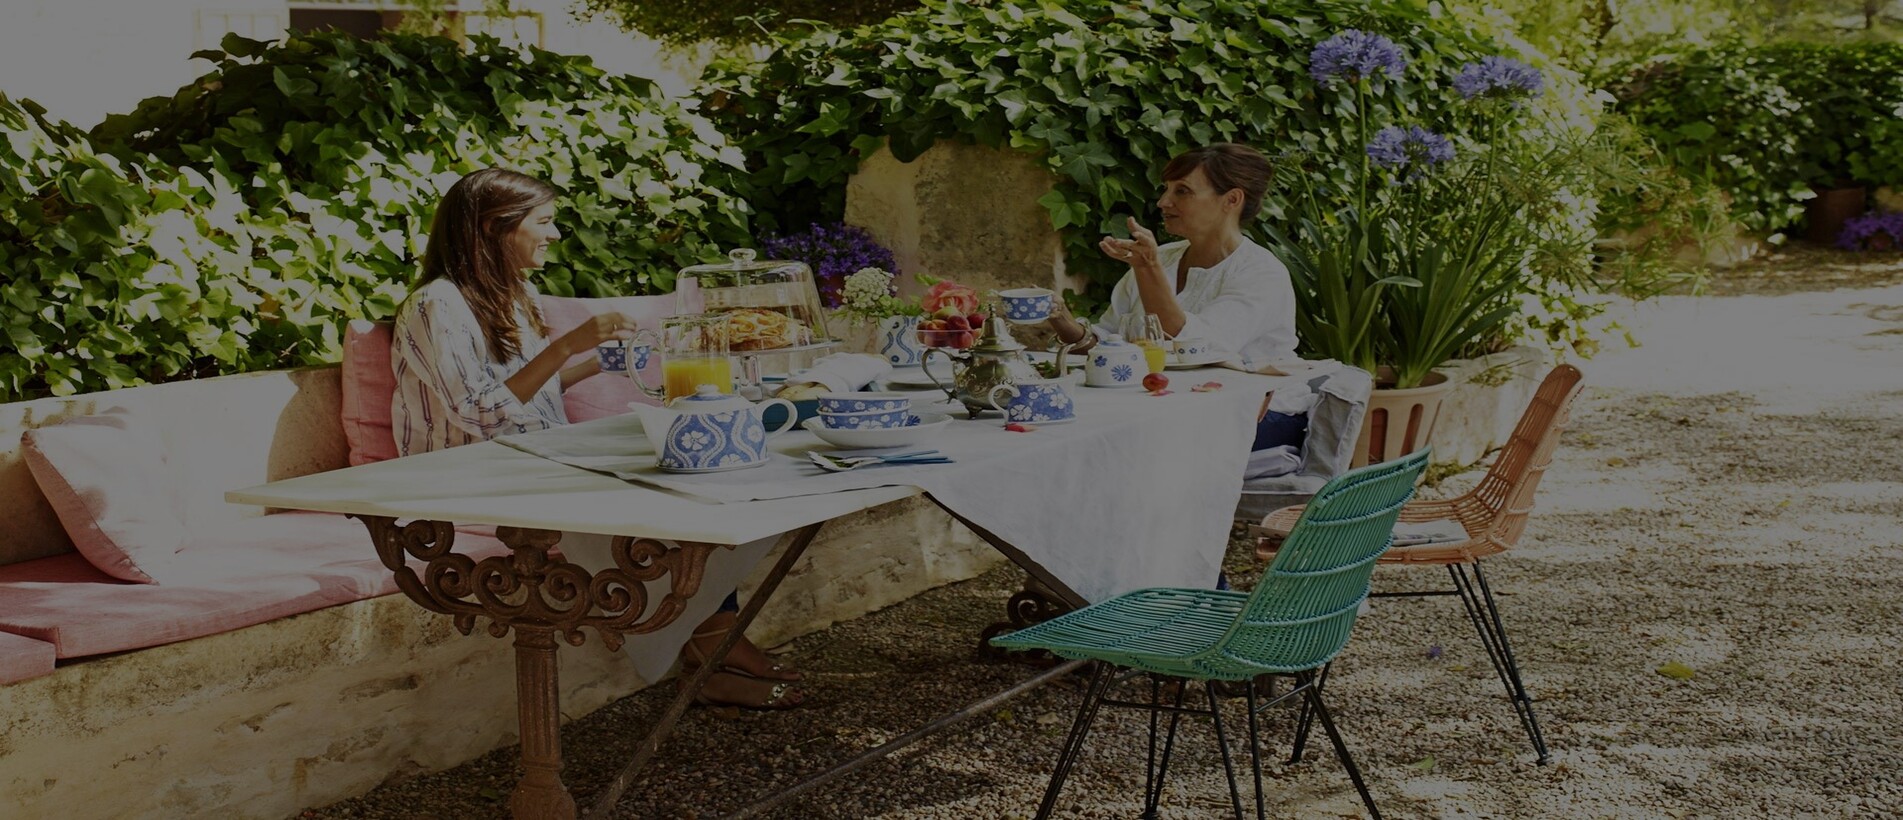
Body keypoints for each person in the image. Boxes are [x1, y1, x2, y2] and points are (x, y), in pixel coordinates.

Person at [391, 168, 802, 709]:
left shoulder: (510, 293)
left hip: (532, 461)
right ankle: (711, 650)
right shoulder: (435, 306)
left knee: (710, 484)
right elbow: (482, 414)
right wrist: (564, 348)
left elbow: (523, 395)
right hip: (469, 478)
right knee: (677, 500)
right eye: (544, 221)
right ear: (494, 227)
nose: (555, 234)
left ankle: (710, 650)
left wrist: (589, 364)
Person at [1048, 143, 1310, 451]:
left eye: (1182, 191)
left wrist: (1148, 269)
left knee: (1122, 448)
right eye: (1166, 189)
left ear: (1232, 200)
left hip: (1259, 416)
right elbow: (1110, 344)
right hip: (1165, 408)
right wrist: (1061, 319)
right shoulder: (1160, 258)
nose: (1163, 202)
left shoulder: (1261, 273)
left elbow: (1197, 349)